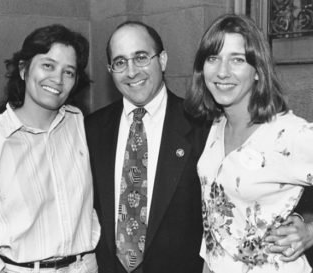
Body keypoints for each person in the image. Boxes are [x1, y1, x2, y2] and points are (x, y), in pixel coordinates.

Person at [184, 13, 313, 273]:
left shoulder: (288, 134)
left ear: (257, 71)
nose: (222, 71)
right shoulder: (217, 124)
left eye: (237, 60)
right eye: (213, 58)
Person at [0, 24, 100, 273]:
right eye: (48, 65)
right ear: (23, 69)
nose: (58, 80)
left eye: (69, 72)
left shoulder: (78, 124)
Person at [85, 21, 207, 273]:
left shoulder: (201, 126)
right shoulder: (92, 129)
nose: (131, 71)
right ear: (110, 70)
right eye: (120, 62)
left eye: (141, 57)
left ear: (162, 60)